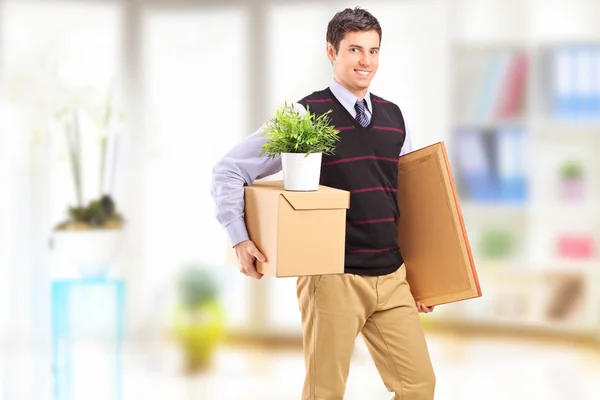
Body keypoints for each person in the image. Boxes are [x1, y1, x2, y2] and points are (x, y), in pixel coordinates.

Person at [211, 6, 436, 400]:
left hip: (392, 277)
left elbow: (409, 201)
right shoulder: (305, 115)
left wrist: (424, 276)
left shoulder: (394, 118)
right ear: (332, 52)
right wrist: (239, 238)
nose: (366, 61)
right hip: (333, 279)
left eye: (373, 50)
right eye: (354, 50)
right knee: (325, 392)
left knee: (418, 386)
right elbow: (230, 170)